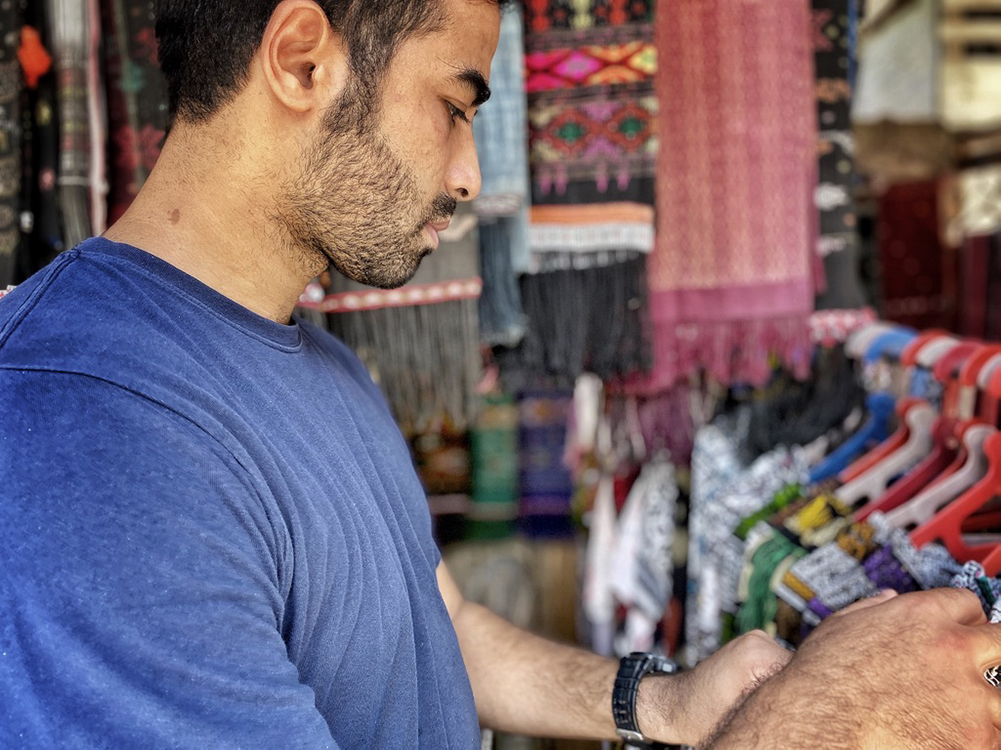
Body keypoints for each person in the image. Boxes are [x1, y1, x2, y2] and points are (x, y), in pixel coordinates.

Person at [1, 0, 1000, 747]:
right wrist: (824, 719)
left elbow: (444, 629)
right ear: (301, 61)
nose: (471, 178)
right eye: (452, 105)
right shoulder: (88, 431)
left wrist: (654, 701)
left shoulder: (321, 370)